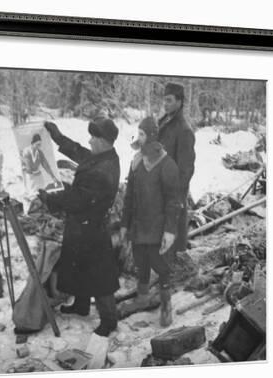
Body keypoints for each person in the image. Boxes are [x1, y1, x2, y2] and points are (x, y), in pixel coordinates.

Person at [38, 117, 121, 337]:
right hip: (83, 224)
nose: (90, 140)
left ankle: (109, 320)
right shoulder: (103, 157)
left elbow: (76, 199)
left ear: (103, 140)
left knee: (100, 275)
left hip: (92, 227)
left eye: (94, 137)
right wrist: (57, 136)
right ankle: (82, 306)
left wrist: (50, 197)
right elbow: (78, 151)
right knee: (80, 266)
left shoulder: (103, 170)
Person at [120, 117, 181, 327]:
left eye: (143, 134)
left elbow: (174, 202)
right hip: (139, 226)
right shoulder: (136, 162)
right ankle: (143, 297)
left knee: (162, 267)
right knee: (141, 262)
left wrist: (170, 231)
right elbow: (128, 196)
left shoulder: (167, 165)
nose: (139, 138)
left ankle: (165, 304)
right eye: (139, 133)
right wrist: (124, 224)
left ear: (153, 137)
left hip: (158, 228)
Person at [158, 82, 196, 252]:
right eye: (164, 100)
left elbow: (185, 171)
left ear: (179, 102)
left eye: (169, 100)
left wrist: (176, 200)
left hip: (172, 195)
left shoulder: (184, 130)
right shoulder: (165, 121)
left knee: (172, 246)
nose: (165, 104)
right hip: (159, 191)